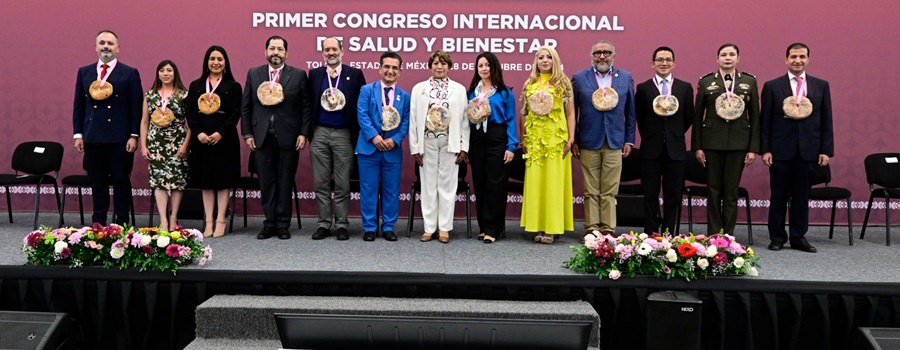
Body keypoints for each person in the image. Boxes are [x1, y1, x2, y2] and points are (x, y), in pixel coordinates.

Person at [761, 43, 833, 253]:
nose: (797, 60)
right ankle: (777, 237)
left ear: (808, 59)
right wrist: (765, 149)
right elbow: (765, 121)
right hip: (780, 151)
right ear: (786, 59)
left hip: (809, 150)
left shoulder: (821, 86)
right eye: (793, 56)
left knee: (801, 196)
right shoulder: (773, 86)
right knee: (778, 196)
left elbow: (826, 120)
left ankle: (798, 237)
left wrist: (825, 150)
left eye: (802, 56)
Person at [241, 36, 312, 240]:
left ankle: (283, 224)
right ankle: (269, 223)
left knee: (284, 181)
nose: (276, 52)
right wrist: (247, 133)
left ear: (286, 54)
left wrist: (303, 133)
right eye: (272, 48)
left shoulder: (298, 75)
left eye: (280, 49)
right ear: (265, 52)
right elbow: (246, 106)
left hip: (289, 137)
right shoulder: (254, 74)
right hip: (261, 137)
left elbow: (306, 106)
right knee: (267, 182)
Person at [72, 30, 142, 226]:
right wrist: (78, 134)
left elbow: (136, 107)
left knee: (121, 181)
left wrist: (134, 135)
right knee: (97, 182)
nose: (106, 47)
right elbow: (79, 105)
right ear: (95, 47)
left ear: (118, 49)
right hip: (93, 136)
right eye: (102, 43)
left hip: (120, 138)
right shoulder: (84, 72)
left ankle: (121, 223)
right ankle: (98, 223)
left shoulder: (129, 73)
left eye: (110, 44)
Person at [571, 40, 636, 240]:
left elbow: (631, 113)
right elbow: (572, 112)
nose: (602, 56)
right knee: (590, 188)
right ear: (592, 56)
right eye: (597, 53)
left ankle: (608, 229)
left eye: (606, 52)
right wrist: (573, 139)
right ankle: (591, 228)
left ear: (613, 56)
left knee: (609, 189)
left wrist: (629, 140)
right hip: (588, 140)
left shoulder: (625, 78)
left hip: (615, 141)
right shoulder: (580, 78)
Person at [692, 43, 760, 236]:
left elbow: (755, 117)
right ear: (717, 59)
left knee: (731, 192)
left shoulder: (750, 81)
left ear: (738, 58)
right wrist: (697, 146)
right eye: (723, 55)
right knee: (713, 191)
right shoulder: (706, 82)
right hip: (711, 143)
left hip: (739, 144)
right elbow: (697, 117)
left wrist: (753, 148)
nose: (727, 58)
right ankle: (714, 235)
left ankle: (728, 236)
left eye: (732, 54)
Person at [308, 37, 366, 241]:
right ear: (322, 52)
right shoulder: (314, 74)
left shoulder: (355, 74)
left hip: (344, 134)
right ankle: (324, 223)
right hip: (320, 132)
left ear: (343, 51)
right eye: (327, 49)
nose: (331, 52)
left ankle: (341, 224)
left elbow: (362, 105)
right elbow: (308, 104)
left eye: (334, 49)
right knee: (321, 182)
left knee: (342, 183)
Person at [410, 50, 470, 244]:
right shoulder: (419, 88)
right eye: (435, 63)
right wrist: (415, 148)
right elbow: (413, 120)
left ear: (449, 67)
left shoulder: (459, 89)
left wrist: (464, 147)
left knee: (447, 186)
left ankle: (444, 228)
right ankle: (429, 228)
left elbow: (464, 120)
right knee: (428, 187)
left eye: (443, 63)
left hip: (449, 143)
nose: (439, 66)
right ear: (430, 65)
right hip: (426, 143)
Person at [635, 47, 694, 235]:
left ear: (674, 64)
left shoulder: (684, 87)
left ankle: (669, 233)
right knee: (650, 195)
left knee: (673, 195)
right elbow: (640, 117)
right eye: (659, 60)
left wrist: (672, 134)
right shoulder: (643, 88)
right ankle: (651, 233)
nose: (664, 63)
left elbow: (688, 116)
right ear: (652, 63)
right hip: (650, 150)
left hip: (675, 150)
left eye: (668, 59)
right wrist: (654, 135)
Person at [520, 46, 575, 244]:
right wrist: (523, 137)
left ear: (555, 60)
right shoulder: (530, 83)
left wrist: (571, 138)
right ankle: (537, 225)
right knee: (536, 183)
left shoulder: (563, 82)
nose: (544, 60)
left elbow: (570, 113)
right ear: (536, 61)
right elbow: (524, 112)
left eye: (549, 57)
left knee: (553, 183)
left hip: (556, 140)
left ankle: (552, 228)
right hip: (535, 141)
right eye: (540, 57)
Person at [185, 45, 241, 238]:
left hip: (224, 140)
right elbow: (190, 113)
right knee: (206, 181)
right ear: (206, 62)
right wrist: (198, 132)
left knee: (223, 180)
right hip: (201, 140)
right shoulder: (196, 85)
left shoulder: (233, 86)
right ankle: (208, 221)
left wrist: (220, 133)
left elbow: (235, 113)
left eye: (219, 59)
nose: (216, 62)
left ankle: (221, 220)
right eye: (212, 59)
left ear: (225, 63)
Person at [356, 52, 411, 241]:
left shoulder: (405, 97)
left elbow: (405, 122)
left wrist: (394, 140)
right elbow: (362, 115)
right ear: (380, 69)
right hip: (369, 149)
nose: (390, 71)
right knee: (369, 189)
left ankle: (388, 227)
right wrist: (375, 137)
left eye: (394, 68)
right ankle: (370, 228)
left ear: (400, 72)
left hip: (392, 151)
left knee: (391, 190)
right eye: (387, 67)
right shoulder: (366, 90)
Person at [465, 52, 517, 244]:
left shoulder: (504, 92)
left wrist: (511, 146)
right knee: (480, 183)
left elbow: (511, 120)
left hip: (497, 137)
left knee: (496, 184)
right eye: (480, 65)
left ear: (494, 67)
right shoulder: (472, 92)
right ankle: (483, 226)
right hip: (477, 138)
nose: (484, 68)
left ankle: (494, 228)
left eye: (487, 65)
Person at [140, 60, 191, 231]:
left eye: (169, 70)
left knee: (178, 181)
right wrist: (144, 145)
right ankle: (163, 220)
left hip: (178, 142)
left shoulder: (184, 95)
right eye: (162, 70)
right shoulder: (150, 95)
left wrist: (185, 145)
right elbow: (144, 121)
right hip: (156, 143)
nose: (165, 73)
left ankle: (174, 216)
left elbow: (191, 124)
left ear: (175, 73)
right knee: (159, 182)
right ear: (158, 74)